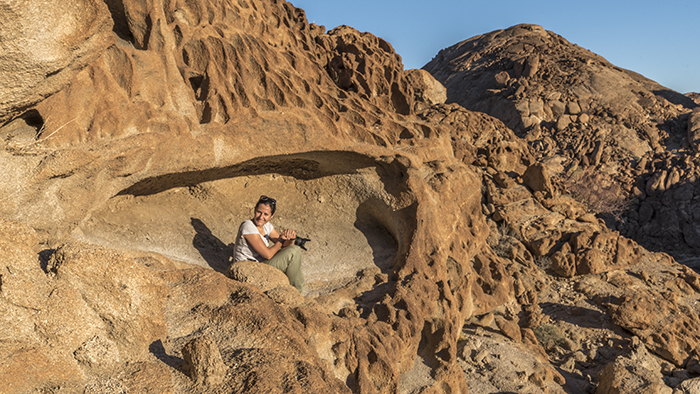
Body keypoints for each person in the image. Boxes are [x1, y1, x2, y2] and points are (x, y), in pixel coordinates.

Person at [233, 195, 305, 293]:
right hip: (249, 269)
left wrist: (291, 239)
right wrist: (281, 240)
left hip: (260, 266)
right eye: (259, 212)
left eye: (266, 214)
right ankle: (297, 291)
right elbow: (268, 254)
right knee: (294, 252)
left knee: (294, 249)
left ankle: (295, 290)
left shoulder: (266, 226)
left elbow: (284, 246)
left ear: (272, 215)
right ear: (254, 210)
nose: (261, 217)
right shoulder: (248, 226)